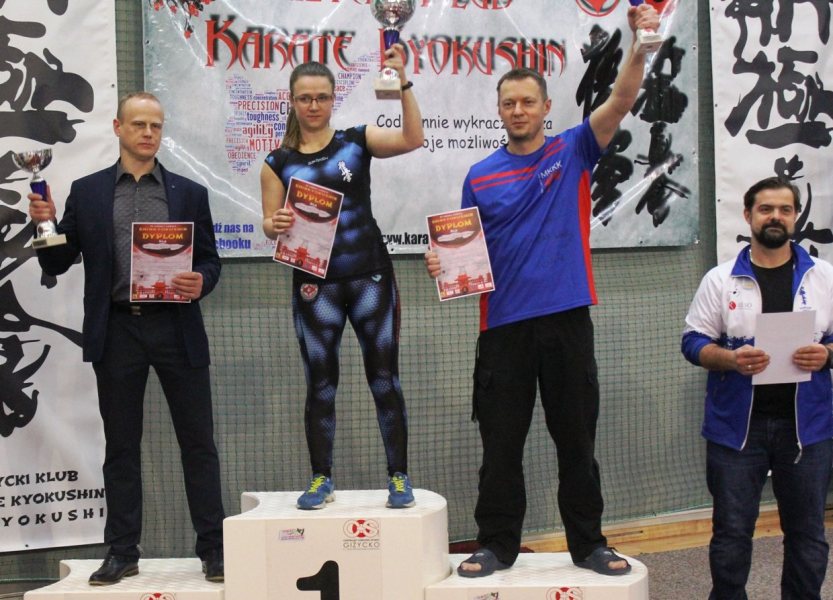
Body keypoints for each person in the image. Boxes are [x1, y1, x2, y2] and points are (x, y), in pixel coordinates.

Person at [424, 3, 660, 578]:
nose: (518, 110)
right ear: (499, 110)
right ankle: (496, 545)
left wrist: (638, 46)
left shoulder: (573, 149)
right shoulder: (479, 175)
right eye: (509, 103)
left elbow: (622, 99)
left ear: (546, 107)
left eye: (528, 101)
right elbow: (467, 255)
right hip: (502, 328)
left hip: (566, 321)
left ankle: (589, 544)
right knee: (500, 448)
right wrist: (441, 262)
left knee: (576, 443)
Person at [28, 92, 226, 585]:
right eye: (138, 124)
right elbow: (57, 261)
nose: (148, 133)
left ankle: (214, 550)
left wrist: (202, 281)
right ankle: (121, 551)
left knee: (198, 443)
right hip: (117, 329)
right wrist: (44, 223)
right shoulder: (88, 192)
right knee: (121, 447)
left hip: (176, 327)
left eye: (155, 125)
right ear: (118, 128)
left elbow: (209, 260)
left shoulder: (189, 193)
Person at [260, 46, 424, 510]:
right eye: (304, 98)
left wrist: (403, 84)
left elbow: (413, 138)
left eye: (321, 97)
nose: (313, 105)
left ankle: (399, 477)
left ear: (333, 99)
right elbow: (270, 223)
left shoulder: (357, 140)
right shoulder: (276, 162)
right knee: (321, 384)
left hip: (371, 278)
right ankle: (321, 478)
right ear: (292, 101)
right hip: (316, 286)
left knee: (384, 379)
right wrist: (273, 225)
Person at [682, 176, 833, 600]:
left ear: (796, 216)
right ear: (748, 215)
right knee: (731, 535)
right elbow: (692, 342)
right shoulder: (720, 279)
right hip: (736, 431)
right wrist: (730, 359)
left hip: (807, 430)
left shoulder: (824, 277)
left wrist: (827, 355)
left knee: (808, 534)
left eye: (785, 209)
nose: (776, 217)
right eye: (766, 209)